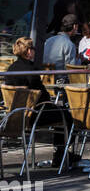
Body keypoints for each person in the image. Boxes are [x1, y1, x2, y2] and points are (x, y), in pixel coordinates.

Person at [6, 36, 70, 166]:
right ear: (29, 51)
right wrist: (51, 102)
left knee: (60, 112)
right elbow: (42, 95)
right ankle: (61, 153)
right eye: (33, 48)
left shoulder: (11, 69)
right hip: (34, 114)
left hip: (15, 115)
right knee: (67, 115)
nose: (34, 51)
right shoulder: (32, 70)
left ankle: (62, 154)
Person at [43, 16, 79, 83]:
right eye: (77, 27)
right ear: (74, 26)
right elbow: (71, 70)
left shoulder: (48, 40)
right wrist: (79, 60)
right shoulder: (69, 44)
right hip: (59, 83)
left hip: (44, 80)